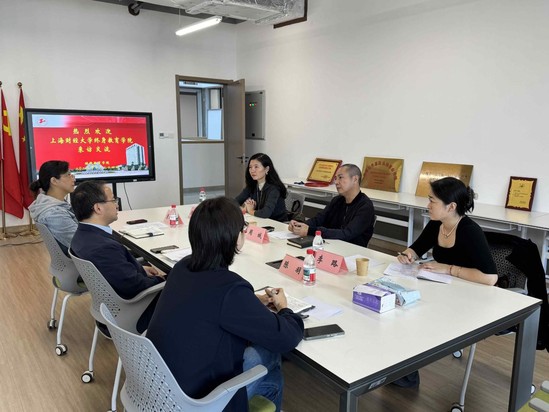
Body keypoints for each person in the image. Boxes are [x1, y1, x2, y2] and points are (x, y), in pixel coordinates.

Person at [146, 197, 304, 412]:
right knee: (270, 352)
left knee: (268, 372)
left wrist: (250, 302)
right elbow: (286, 338)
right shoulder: (230, 289)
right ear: (237, 238)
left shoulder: (182, 267)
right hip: (197, 403)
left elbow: (207, 304)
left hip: (160, 387)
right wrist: (285, 309)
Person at [394, 177, 498, 388]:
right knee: (401, 306)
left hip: (470, 299)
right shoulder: (437, 224)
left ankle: (406, 374)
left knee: (411, 313)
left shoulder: (470, 231)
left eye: (432, 201)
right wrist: (407, 255)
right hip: (444, 289)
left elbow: (490, 278)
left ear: (451, 207)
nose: (428, 205)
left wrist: (449, 269)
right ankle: (402, 372)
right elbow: (417, 248)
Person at [70, 180, 165, 333]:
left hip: (108, 309)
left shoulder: (82, 236)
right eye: (113, 200)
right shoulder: (103, 248)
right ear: (98, 208)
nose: (117, 204)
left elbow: (116, 271)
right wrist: (165, 279)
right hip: (131, 315)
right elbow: (134, 286)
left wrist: (140, 268)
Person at [288, 164, 376, 247]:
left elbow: (346, 234)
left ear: (355, 179)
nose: (336, 182)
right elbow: (319, 219)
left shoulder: (365, 206)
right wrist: (299, 225)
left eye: (340, 177)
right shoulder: (337, 200)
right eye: (335, 178)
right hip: (330, 246)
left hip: (352, 251)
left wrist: (309, 230)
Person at [29, 160, 77, 255]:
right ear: (54, 181)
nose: (73, 178)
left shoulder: (50, 204)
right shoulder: (54, 214)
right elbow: (82, 242)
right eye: (68, 175)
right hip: (82, 258)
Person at [235, 153, 288, 222]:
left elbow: (265, 213)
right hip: (260, 221)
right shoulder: (252, 185)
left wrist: (250, 210)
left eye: (256, 167)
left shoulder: (274, 188)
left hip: (278, 223)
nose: (252, 170)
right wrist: (244, 209)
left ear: (266, 169)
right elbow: (234, 202)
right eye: (250, 167)